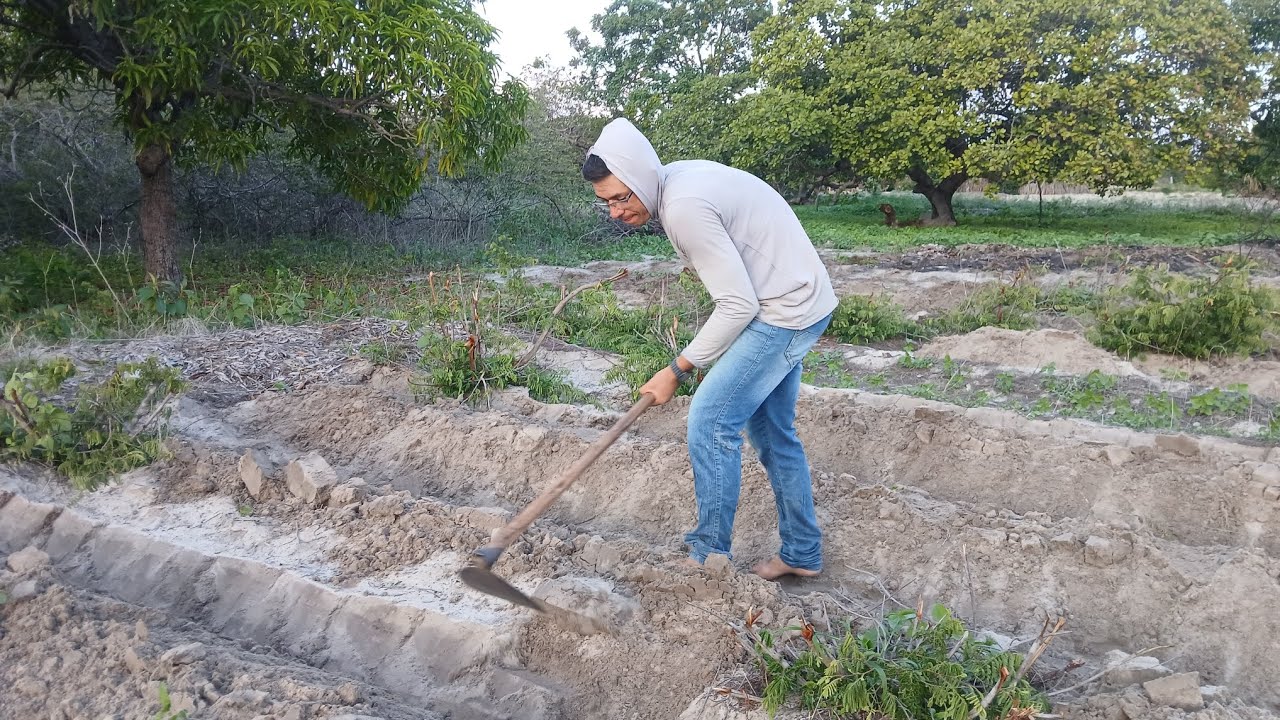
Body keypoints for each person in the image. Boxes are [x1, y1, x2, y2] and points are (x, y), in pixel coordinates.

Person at [582, 118, 838, 580]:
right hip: (794, 299)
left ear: (641, 179)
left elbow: (737, 304)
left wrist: (677, 369)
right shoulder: (675, 181)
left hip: (783, 310)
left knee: (711, 420)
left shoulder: (683, 206)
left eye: (622, 197)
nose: (616, 212)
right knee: (772, 432)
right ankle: (802, 553)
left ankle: (706, 560)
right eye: (607, 203)